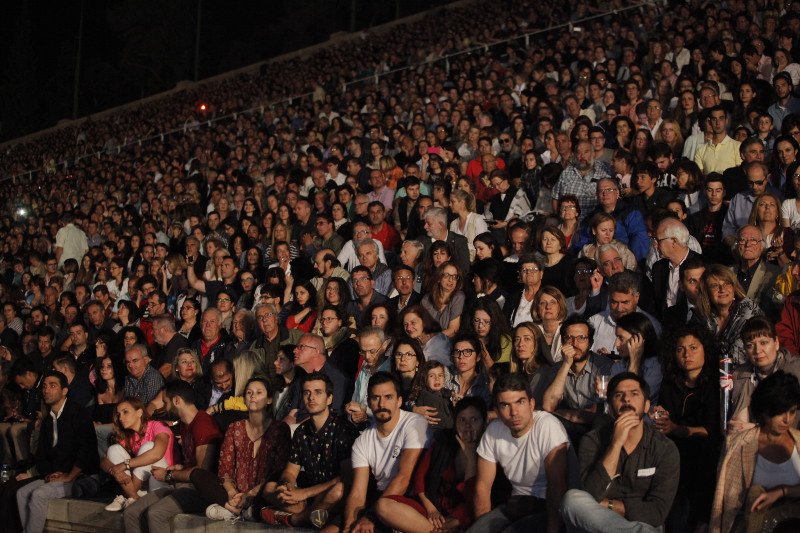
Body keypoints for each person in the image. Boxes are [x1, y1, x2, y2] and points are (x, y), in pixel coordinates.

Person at [561, 372, 680, 533]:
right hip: (599, 522)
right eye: (619, 395)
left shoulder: (664, 448)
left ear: (646, 405)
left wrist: (609, 505)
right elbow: (592, 493)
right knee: (571, 500)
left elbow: (657, 512)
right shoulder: (592, 440)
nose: (626, 399)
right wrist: (615, 444)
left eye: (634, 394)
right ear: (610, 407)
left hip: (644, 522)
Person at [469, 372, 570, 533]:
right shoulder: (493, 431)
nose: (514, 412)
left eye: (520, 402)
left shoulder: (547, 426)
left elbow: (557, 486)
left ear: (531, 404)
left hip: (547, 506)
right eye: (505, 405)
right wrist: (482, 526)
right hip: (515, 504)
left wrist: (553, 530)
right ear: (496, 410)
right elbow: (482, 487)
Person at [372, 397, 487, 532]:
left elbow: (473, 499)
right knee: (383, 505)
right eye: (462, 419)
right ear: (455, 423)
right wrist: (431, 508)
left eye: (474, 419)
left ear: (484, 422)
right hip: (434, 507)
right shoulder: (443, 441)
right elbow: (420, 478)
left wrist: (470, 453)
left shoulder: (490, 449)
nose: (468, 425)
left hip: (465, 515)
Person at [3, 370, 98, 533]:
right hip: (59, 474)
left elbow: (87, 450)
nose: (46, 390)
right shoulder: (48, 420)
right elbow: (42, 455)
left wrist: (70, 475)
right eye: (45, 386)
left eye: (52, 386)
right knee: (20, 493)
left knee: (38, 495)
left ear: (64, 390)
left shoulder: (79, 413)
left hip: (83, 477)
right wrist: (48, 473)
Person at [260, 372, 359, 528]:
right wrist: (287, 486)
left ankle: (294, 519)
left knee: (339, 491)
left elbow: (346, 478)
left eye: (318, 392)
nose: (311, 397)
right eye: (307, 393)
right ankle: (309, 515)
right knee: (270, 488)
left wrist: (304, 493)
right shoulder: (302, 431)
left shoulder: (343, 430)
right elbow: (291, 471)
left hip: (330, 495)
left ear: (329, 398)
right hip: (308, 499)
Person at [123, 380, 222, 533]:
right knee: (131, 513)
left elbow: (202, 472)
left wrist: (168, 474)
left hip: (202, 490)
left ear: (177, 401)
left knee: (156, 513)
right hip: (183, 485)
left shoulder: (203, 423)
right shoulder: (185, 424)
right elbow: (192, 464)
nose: (164, 407)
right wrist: (179, 467)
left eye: (166, 402)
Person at [190, 376, 291, 521]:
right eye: (249, 393)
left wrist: (252, 493)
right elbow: (225, 469)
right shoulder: (234, 427)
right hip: (235, 493)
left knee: (274, 488)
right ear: (244, 399)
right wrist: (232, 493)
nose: (253, 397)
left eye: (258, 392)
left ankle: (244, 510)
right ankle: (235, 510)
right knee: (197, 475)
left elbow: (278, 469)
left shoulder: (280, 429)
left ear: (269, 399)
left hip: (261, 493)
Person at [711, 371, 800, 533]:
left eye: (792, 411)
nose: (788, 419)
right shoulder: (738, 445)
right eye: (781, 412)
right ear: (765, 412)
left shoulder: (798, 442)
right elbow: (723, 502)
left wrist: (781, 492)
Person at [342, 372, 430, 532]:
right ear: (368, 402)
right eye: (376, 398)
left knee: (383, 508)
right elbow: (357, 493)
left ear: (399, 401)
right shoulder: (362, 441)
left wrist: (370, 517)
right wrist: (350, 526)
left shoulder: (415, 423)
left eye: (388, 397)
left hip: (409, 500)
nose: (382, 404)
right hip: (379, 499)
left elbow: (404, 478)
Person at [655, 325, 722, 532]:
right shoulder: (670, 382)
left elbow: (710, 430)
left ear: (705, 349)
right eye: (680, 349)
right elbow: (666, 417)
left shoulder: (716, 383)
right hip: (674, 449)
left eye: (693, 348)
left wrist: (675, 428)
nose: (687, 354)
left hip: (705, 452)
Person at [728, 316, 800, 434]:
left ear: (776, 343)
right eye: (750, 345)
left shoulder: (796, 370)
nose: (757, 350)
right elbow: (738, 426)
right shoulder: (741, 374)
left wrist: (755, 428)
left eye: (764, 342)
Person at [102, 397, 175, 512]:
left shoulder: (157, 425)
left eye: (125, 412)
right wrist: (115, 471)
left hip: (162, 480)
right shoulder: (130, 436)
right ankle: (133, 497)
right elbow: (103, 461)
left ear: (139, 412)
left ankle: (128, 496)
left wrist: (125, 465)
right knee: (113, 449)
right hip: (143, 487)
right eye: (119, 414)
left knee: (149, 447)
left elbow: (157, 454)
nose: (121, 418)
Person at [691, 265, 764, 365]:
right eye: (714, 286)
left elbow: (739, 356)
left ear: (734, 287)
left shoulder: (748, 309)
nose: (722, 289)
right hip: (711, 372)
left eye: (727, 284)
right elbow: (693, 349)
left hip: (744, 373)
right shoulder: (701, 315)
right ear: (706, 292)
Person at [421, 261, 465, 338]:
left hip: (447, 342)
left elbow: (453, 329)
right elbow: (422, 326)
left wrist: (431, 338)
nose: (451, 280)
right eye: (447, 275)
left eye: (454, 276)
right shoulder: (426, 299)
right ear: (438, 278)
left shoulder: (458, 297)